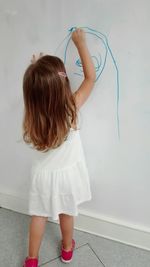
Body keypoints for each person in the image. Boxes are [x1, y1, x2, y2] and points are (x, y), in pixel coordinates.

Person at [22, 28, 96, 267]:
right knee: (67, 213)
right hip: (67, 177)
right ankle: (66, 250)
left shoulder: (33, 117)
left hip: (42, 178)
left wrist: (37, 69)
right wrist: (81, 44)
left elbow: (40, 90)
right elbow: (90, 78)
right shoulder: (71, 110)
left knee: (38, 216)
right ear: (62, 85)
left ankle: (32, 260)